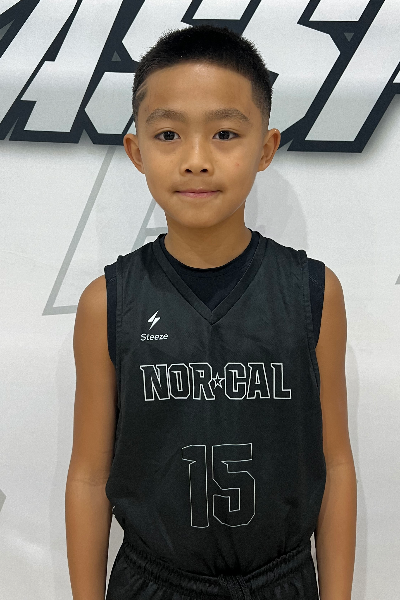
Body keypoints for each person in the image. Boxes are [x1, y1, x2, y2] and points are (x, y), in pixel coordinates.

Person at [65, 24, 357, 600]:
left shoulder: (313, 292)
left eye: (225, 133)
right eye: (169, 134)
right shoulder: (107, 303)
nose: (196, 160)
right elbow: (90, 476)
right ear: (136, 152)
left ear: (265, 148)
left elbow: (335, 464)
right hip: (153, 583)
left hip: (280, 581)